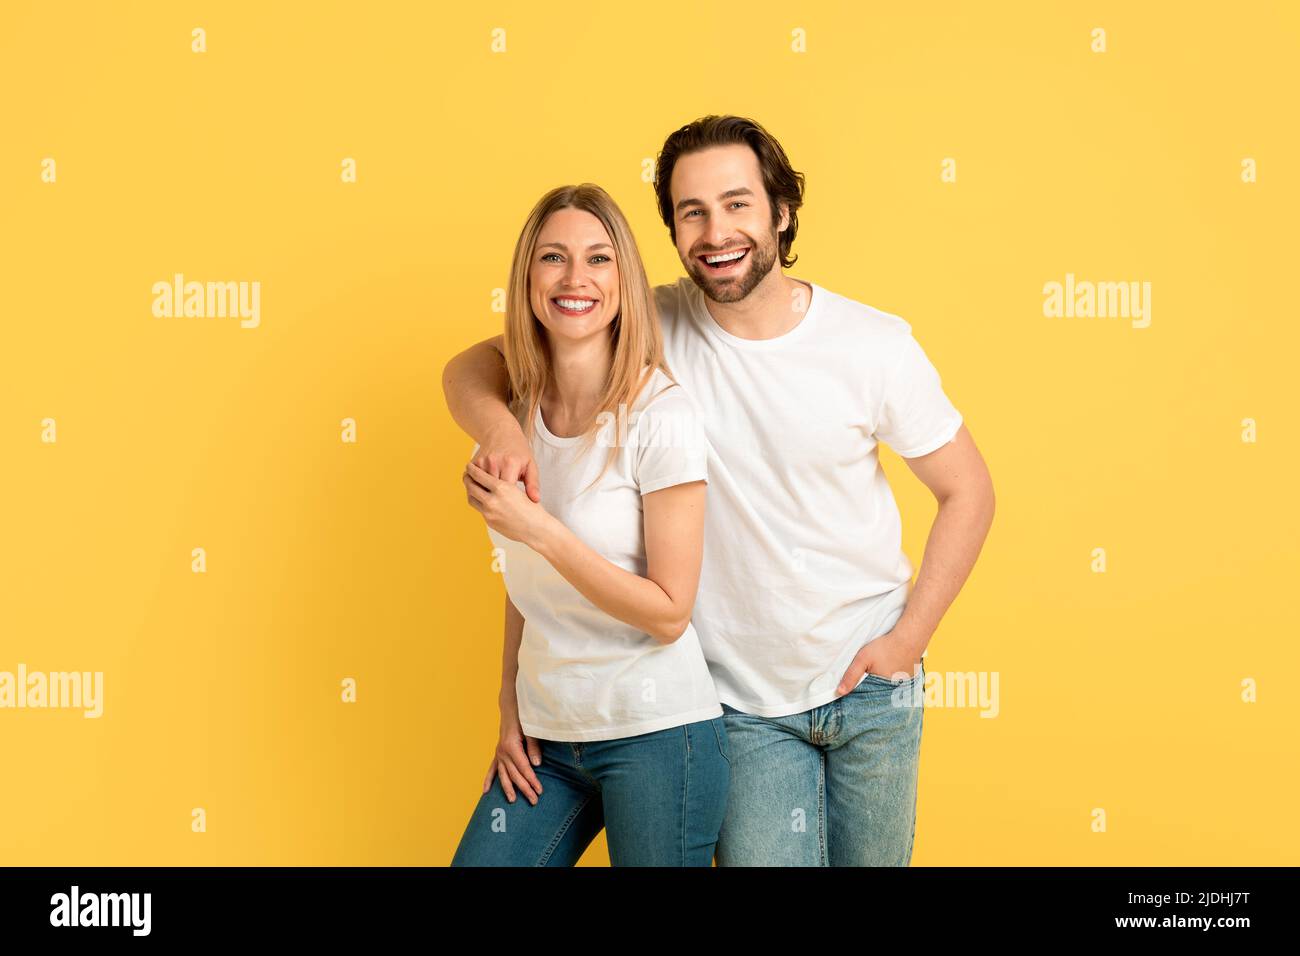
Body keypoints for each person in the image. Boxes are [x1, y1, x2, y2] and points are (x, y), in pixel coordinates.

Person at [444, 116, 996, 866]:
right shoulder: (651, 322)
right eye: (691, 212)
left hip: (868, 684)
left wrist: (908, 642)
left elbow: (968, 491)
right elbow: (475, 368)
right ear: (671, 229)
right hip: (737, 702)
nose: (715, 231)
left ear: (781, 212)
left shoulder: (872, 346)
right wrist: (506, 435)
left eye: (737, 204)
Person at [448, 183, 729, 867]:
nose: (576, 279)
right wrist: (510, 706)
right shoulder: (517, 411)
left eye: (599, 259)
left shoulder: (660, 416)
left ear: (624, 280)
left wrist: (536, 526)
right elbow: (526, 583)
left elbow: (668, 614)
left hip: (658, 735)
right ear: (528, 277)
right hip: (547, 738)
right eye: (554, 258)